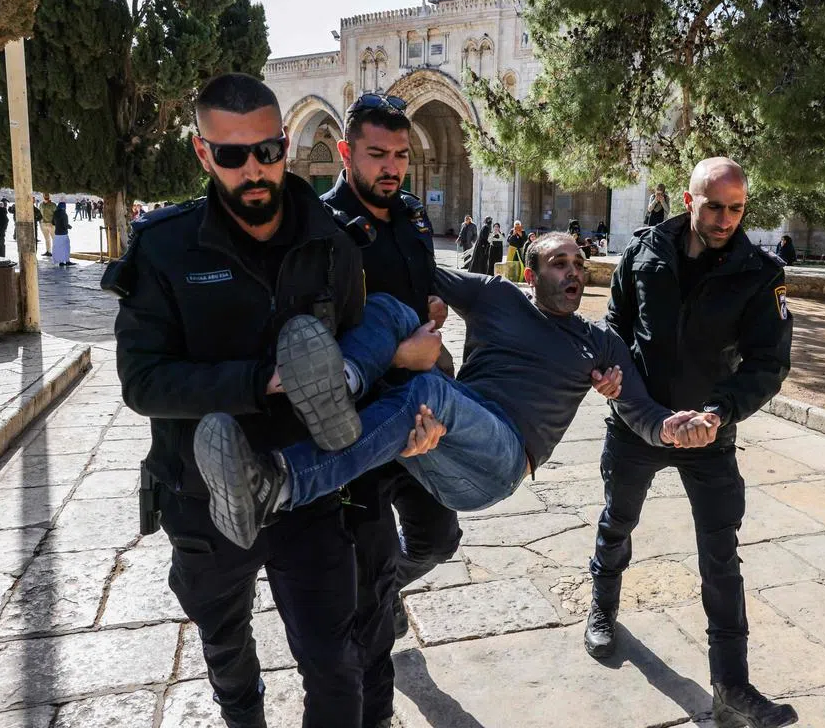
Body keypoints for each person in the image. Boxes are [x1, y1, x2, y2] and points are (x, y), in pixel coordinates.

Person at [108, 72, 376, 728]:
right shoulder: (165, 249)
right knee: (227, 651)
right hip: (204, 499)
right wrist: (260, 382)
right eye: (232, 155)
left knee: (335, 662)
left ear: (285, 144)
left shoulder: (332, 239)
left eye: (269, 150)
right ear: (204, 154)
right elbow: (143, 382)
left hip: (305, 493)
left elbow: (356, 347)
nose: (254, 169)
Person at [193, 232, 721, 548]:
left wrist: (671, 427)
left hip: (501, 460)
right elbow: (412, 273)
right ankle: (345, 381)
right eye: (559, 263)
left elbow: (643, 413)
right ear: (530, 273)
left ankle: (281, 486)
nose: (573, 272)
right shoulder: (496, 297)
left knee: (431, 389)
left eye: (579, 264)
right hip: (439, 441)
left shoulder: (601, 345)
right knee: (397, 310)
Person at [587, 158, 796, 728]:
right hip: (638, 426)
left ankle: (731, 684)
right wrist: (610, 374)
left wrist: (717, 412)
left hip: (709, 434)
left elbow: (768, 363)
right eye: (713, 206)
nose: (725, 219)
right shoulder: (643, 253)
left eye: (736, 208)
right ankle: (602, 609)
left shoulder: (760, 273)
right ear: (688, 200)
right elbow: (616, 331)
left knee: (721, 555)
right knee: (617, 523)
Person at [318, 91, 458, 724]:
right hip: (363, 428)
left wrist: (433, 313)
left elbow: (421, 288)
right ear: (347, 152)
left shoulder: (412, 218)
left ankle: (386, 590)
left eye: (401, 154)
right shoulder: (323, 229)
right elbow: (315, 337)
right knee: (366, 586)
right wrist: (398, 355)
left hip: (419, 414)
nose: (392, 167)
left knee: (439, 536)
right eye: (377, 154)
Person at [52, 202, 75, 267]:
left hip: (57, 234)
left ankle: (61, 262)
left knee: (59, 248)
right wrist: (69, 227)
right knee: (66, 247)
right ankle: (67, 261)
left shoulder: (55, 213)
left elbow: (53, 222)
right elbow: (65, 225)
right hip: (63, 234)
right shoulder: (64, 214)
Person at [39, 193, 58, 258]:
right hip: (43, 224)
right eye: (45, 195)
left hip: (51, 224)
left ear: (49, 196)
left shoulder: (53, 204)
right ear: (43, 196)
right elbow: (39, 213)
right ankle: (48, 251)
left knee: (54, 239)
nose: (46, 196)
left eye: (47, 195)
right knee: (46, 239)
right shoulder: (41, 204)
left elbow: (56, 214)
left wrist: (55, 222)